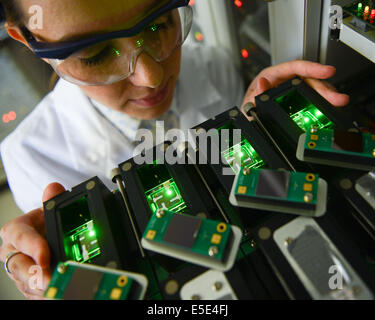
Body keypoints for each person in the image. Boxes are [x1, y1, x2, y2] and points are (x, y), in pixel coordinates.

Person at [0, 0, 349, 299]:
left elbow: (234, 202)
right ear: (28, 41)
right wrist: (44, 276)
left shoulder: (213, 65)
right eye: (96, 55)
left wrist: (258, 133)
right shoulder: (32, 159)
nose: (151, 77)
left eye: (158, 24)